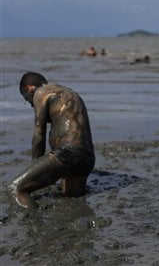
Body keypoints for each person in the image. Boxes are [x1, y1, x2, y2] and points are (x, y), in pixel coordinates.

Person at [9, 72, 95, 209]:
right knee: (72, 203)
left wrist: (35, 167)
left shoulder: (41, 92)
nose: (32, 105)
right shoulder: (69, 92)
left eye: (27, 100)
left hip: (67, 153)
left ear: (29, 88)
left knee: (14, 189)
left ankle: (34, 223)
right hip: (87, 159)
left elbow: (39, 134)